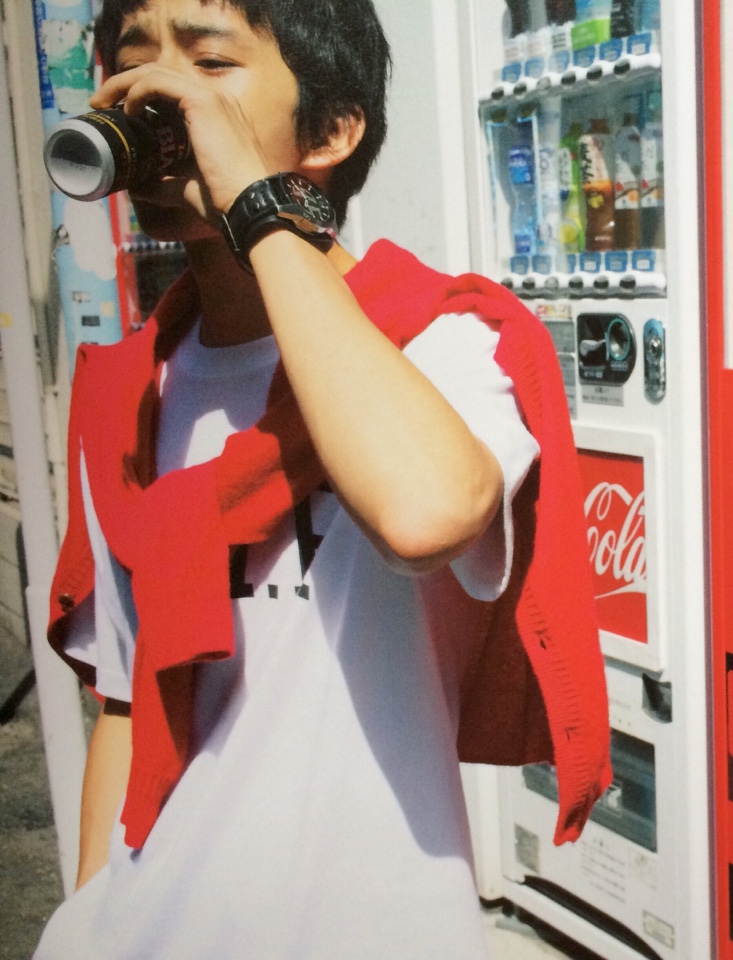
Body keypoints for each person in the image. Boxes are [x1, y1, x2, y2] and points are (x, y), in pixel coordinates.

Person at [35, 1, 610, 956]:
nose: (159, 95)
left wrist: (256, 207)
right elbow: (128, 706)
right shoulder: (127, 392)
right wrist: (89, 917)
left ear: (333, 130)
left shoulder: (445, 345)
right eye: (135, 63)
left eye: (207, 63)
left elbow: (424, 512)